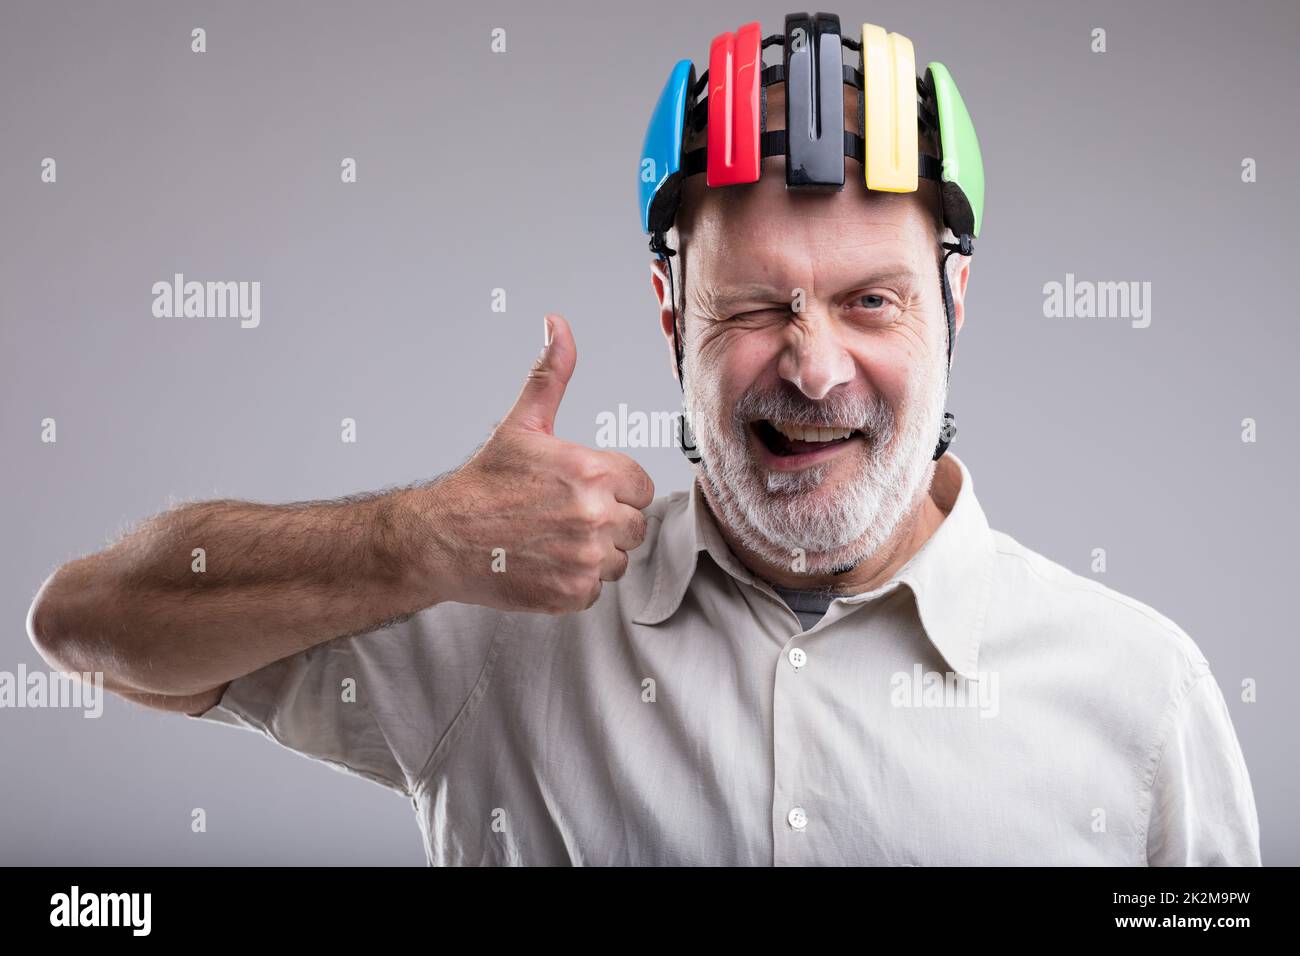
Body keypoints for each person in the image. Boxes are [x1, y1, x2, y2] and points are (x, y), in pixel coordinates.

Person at [26, 14, 1260, 866]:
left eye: (869, 299)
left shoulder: (1140, 697)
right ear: (672, 318)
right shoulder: (495, 616)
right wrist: (421, 538)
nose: (814, 362)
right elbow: (87, 624)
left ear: (954, 309)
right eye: (752, 304)